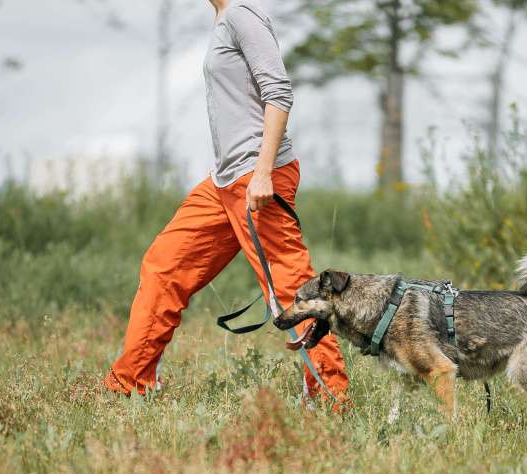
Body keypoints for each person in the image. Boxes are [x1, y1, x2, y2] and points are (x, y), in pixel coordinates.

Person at [103, 0, 349, 402]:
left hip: (257, 177)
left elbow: (279, 93)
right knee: (164, 266)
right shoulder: (223, 18)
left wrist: (263, 173)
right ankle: (130, 383)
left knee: (290, 288)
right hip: (224, 181)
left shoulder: (241, 13)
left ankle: (329, 395)